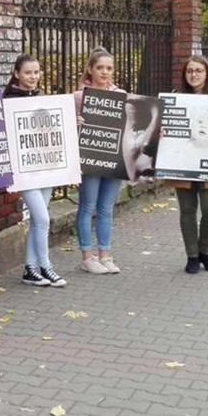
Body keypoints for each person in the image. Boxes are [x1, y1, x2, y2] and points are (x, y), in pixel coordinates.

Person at [3, 54, 67, 287]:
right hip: (24, 170)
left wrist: (71, 122)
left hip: (45, 166)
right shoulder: (8, 100)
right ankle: (46, 267)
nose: (33, 77)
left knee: (38, 222)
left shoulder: (42, 98)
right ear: (17, 74)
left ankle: (30, 269)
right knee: (43, 219)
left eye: (37, 72)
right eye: (28, 72)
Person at [164, 56, 208, 274]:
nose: (194, 75)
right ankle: (192, 255)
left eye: (199, 70)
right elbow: (164, 130)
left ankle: (204, 252)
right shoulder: (176, 98)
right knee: (187, 210)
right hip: (183, 162)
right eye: (190, 71)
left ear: (207, 73)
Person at [74, 48, 126, 276]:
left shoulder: (122, 95)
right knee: (88, 206)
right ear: (90, 69)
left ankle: (105, 254)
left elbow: (133, 127)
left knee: (106, 208)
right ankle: (87, 256)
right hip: (90, 159)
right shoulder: (79, 97)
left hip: (113, 160)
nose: (105, 72)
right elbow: (64, 127)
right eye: (100, 68)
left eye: (109, 68)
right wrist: (74, 121)